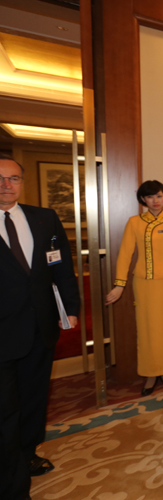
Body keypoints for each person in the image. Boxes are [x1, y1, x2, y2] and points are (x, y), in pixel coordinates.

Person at [0, 155, 80, 500]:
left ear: (22, 183)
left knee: (33, 400)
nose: (7, 185)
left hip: (40, 328)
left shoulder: (44, 218)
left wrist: (71, 308)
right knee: (6, 408)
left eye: (14, 178)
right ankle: (13, 483)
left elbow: (61, 265)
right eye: (0, 179)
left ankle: (27, 453)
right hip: (2, 333)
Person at [105, 180, 163, 396]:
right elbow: (125, 254)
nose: (155, 201)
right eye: (150, 197)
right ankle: (151, 374)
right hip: (144, 283)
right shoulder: (134, 222)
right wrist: (119, 285)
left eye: (159, 196)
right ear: (143, 199)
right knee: (148, 330)